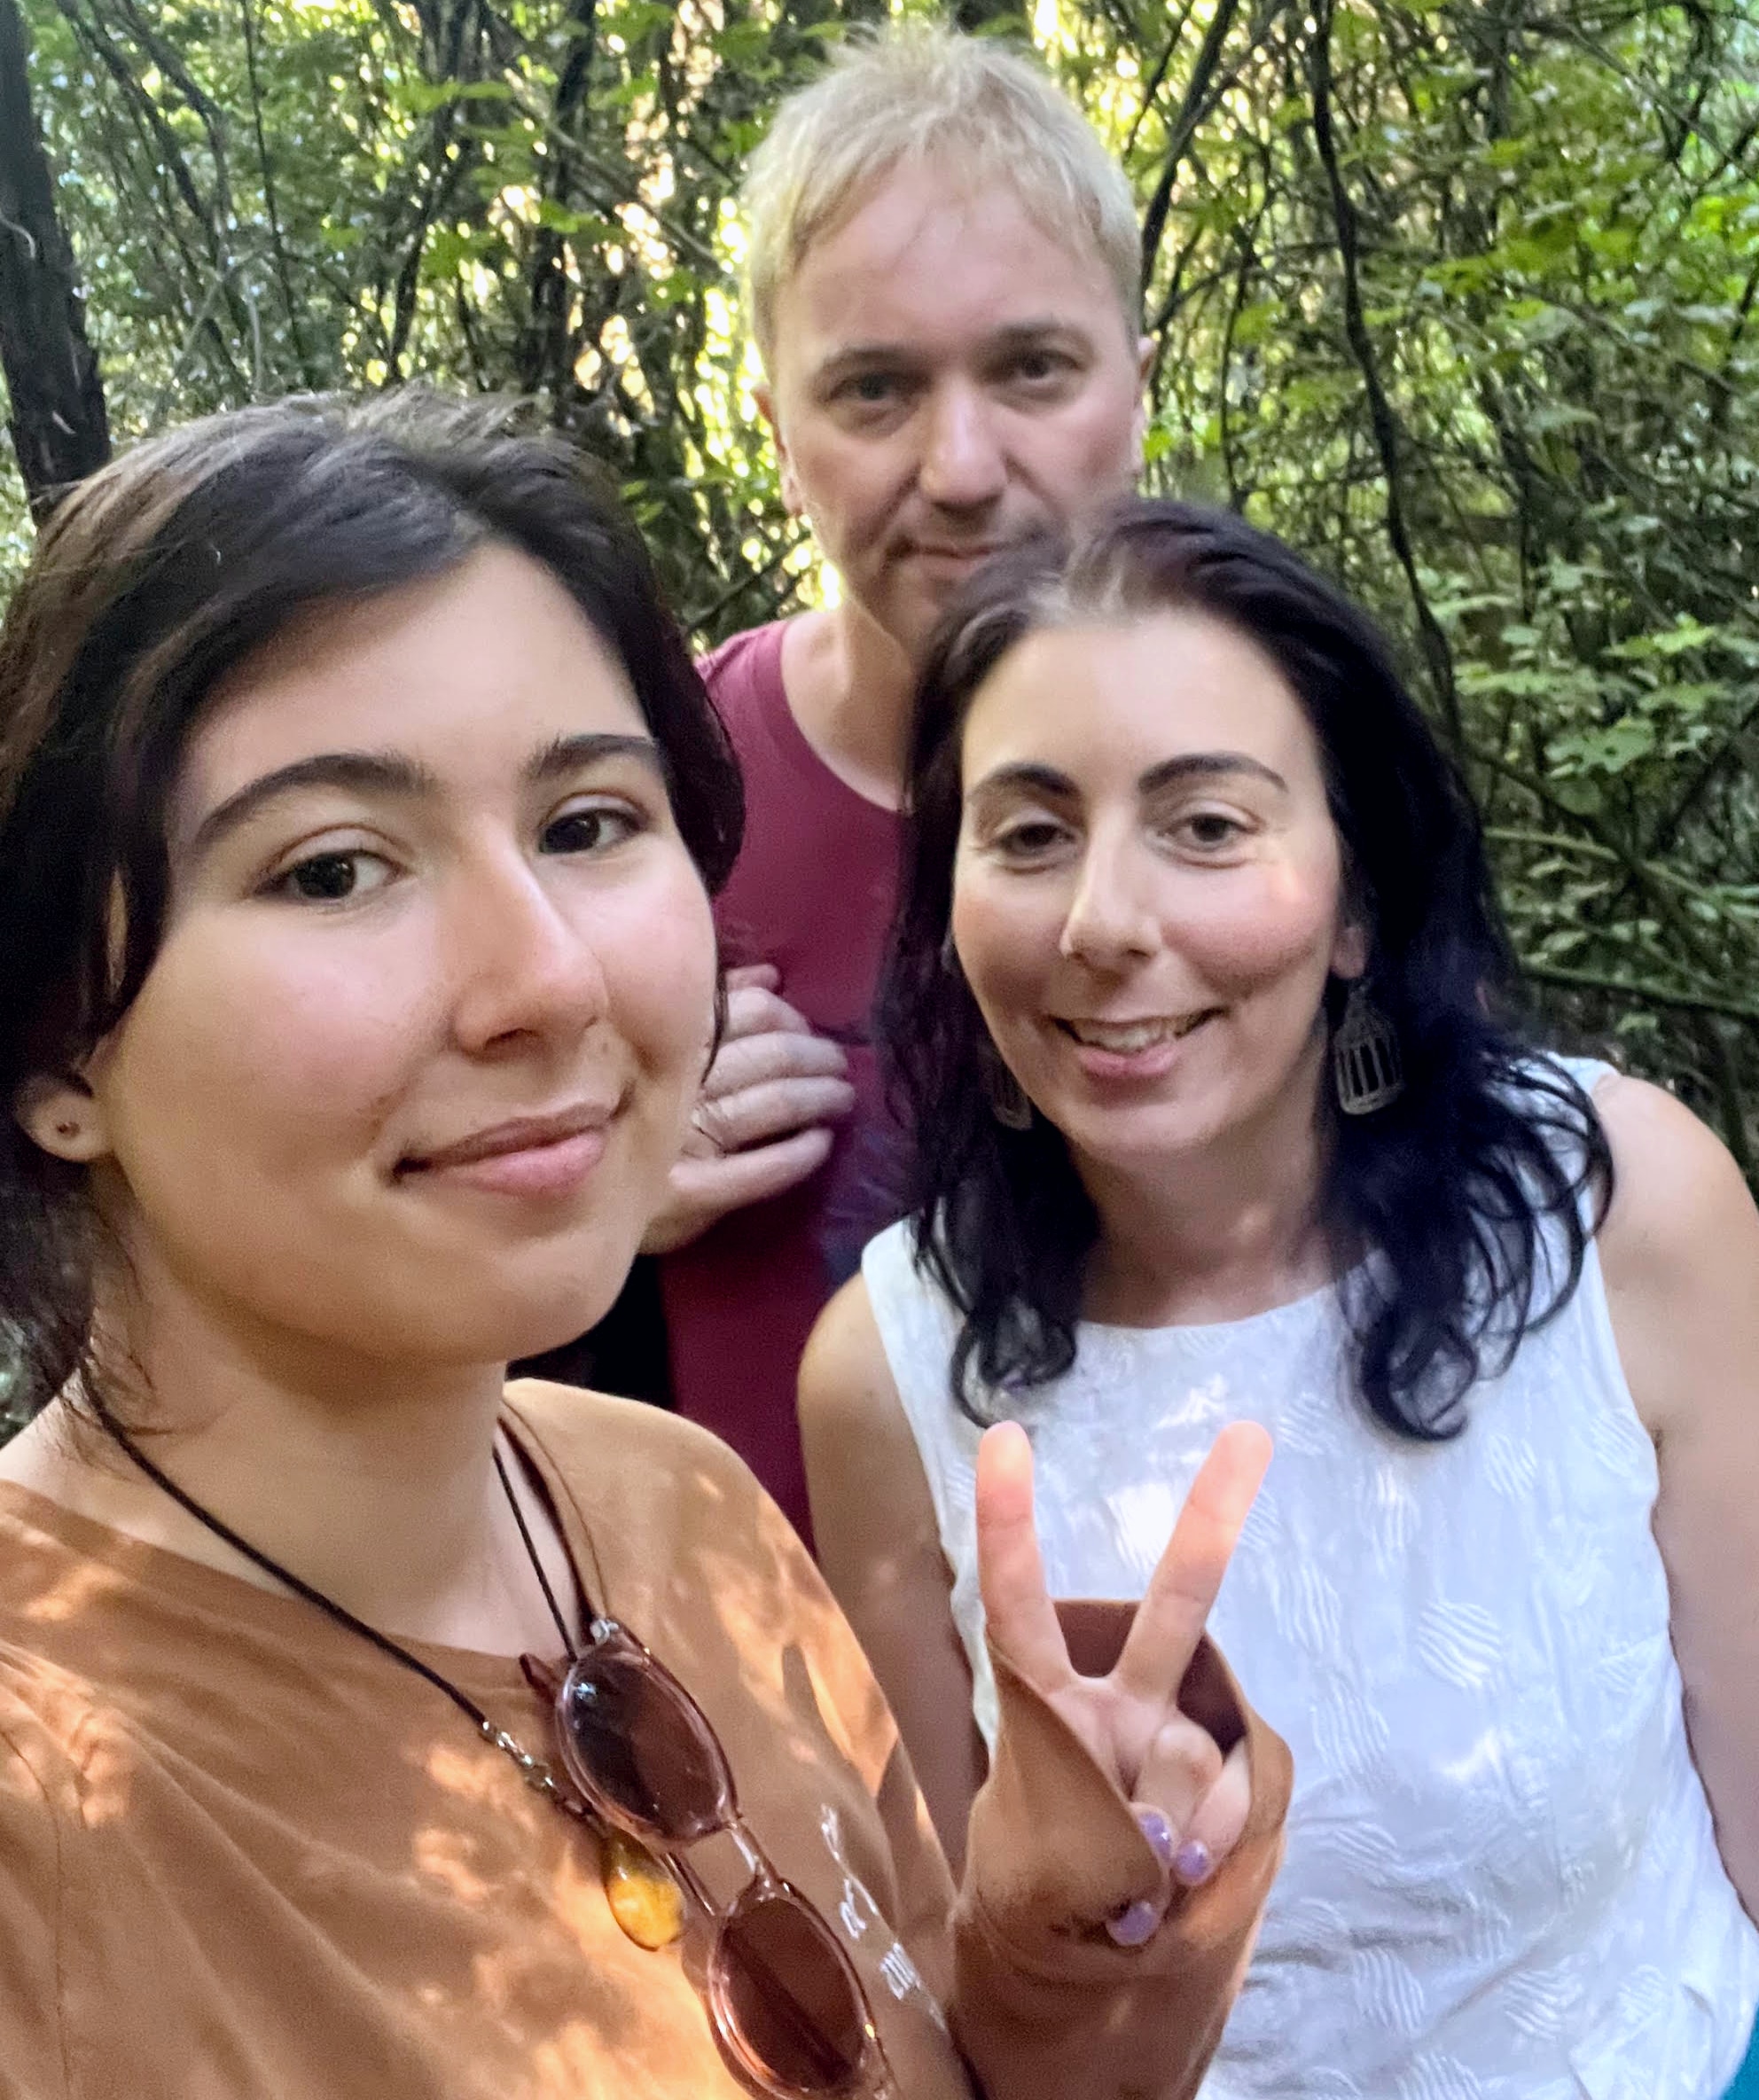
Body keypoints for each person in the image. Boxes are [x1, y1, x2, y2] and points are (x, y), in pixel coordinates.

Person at [0, 399, 1291, 2099]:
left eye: (590, 823)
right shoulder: (49, 1812)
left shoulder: (674, 1498)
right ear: (55, 1047)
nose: (549, 980)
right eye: (332, 870)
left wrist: (1056, 1953)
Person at [799, 500, 1759, 2095]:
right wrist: (1068, 1919)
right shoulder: (890, 1374)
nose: (1106, 923)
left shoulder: (1619, 1212)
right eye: (1031, 833)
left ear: (1357, 901)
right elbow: (957, 2013)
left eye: (1208, 825)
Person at [621, 24, 1153, 1542]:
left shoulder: (1300, 779)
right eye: (875, 392)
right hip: (770, 1709)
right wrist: (594, 1190)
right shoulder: (645, 802)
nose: (965, 463)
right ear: (782, 435)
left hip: (1223, 1693)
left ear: (1135, 380)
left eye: (1032, 368)